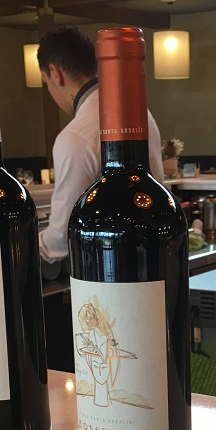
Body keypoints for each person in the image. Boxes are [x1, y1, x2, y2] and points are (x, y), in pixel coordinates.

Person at [36, 26, 165, 279]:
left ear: (55, 73)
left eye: (46, 83)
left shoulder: (75, 136)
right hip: (152, 254)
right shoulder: (142, 115)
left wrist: (31, 248)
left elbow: (62, 236)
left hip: (107, 268)